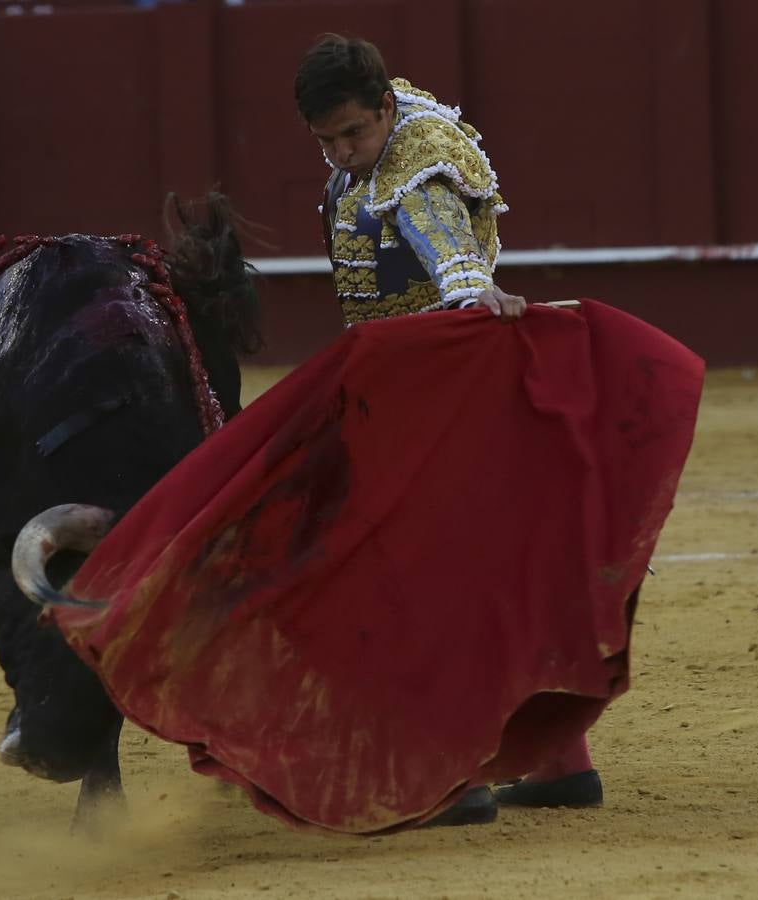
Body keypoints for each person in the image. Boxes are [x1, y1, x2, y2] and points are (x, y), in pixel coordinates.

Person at [293, 34, 603, 824]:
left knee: (414, 579)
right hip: (418, 394)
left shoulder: (413, 159)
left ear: (385, 112)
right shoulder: (388, 123)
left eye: (352, 135)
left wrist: (472, 292)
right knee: (487, 573)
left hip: (438, 398)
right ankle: (555, 762)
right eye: (325, 139)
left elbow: (445, 244)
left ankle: (449, 773)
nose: (340, 152)